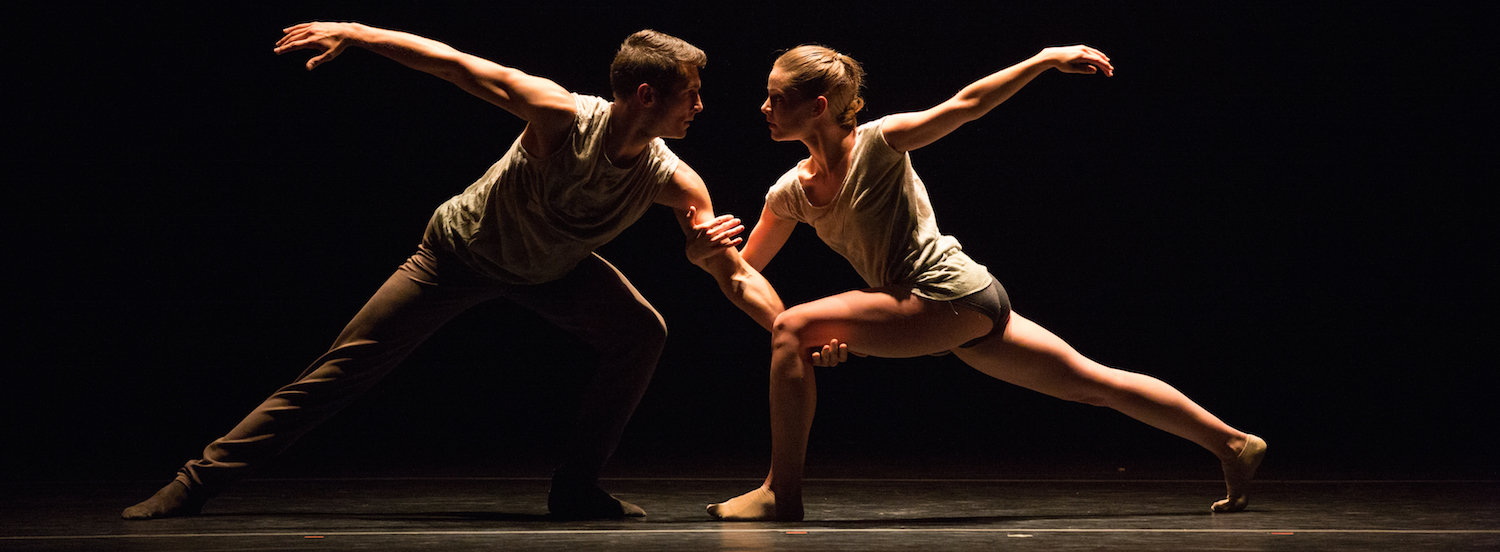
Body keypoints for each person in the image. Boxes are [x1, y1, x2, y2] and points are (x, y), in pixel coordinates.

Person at [122, 22, 788, 520]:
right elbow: (454, 65)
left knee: (642, 331)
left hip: (552, 270)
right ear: (646, 94)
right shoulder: (558, 114)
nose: (700, 107)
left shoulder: (675, 181)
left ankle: (576, 487)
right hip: (456, 257)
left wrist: (784, 324)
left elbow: (726, 270)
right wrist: (356, 32)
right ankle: (193, 484)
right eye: (691, 96)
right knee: (340, 369)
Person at [690, 44, 1267, 521]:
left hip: (945, 293)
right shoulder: (789, 192)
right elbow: (746, 273)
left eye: (777, 98)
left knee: (794, 325)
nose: (763, 106)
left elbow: (966, 104)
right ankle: (1234, 444)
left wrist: (1043, 59)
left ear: (817, 107)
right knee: (1092, 383)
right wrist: (707, 256)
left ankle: (779, 494)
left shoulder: (882, 143)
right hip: (964, 305)